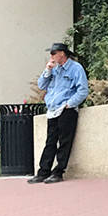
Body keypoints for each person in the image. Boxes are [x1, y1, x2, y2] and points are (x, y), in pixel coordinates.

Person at [28, 42, 88, 184]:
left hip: (66, 110)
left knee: (64, 142)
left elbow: (83, 90)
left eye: (54, 53)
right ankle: (43, 172)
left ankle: (58, 172)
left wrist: (70, 104)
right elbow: (42, 85)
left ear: (62, 53)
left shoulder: (76, 69)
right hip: (53, 110)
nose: (51, 56)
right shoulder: (54, 68)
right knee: (50, 141)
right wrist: (48, 70)